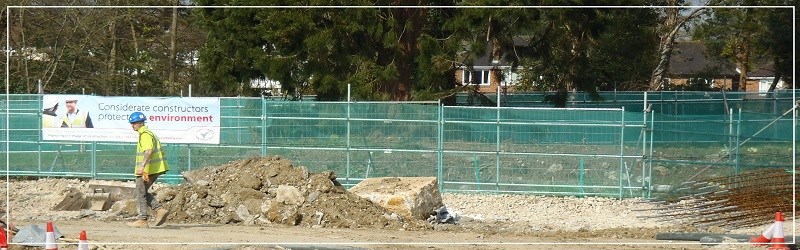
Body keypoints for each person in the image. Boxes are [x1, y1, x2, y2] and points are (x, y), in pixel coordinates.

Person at [126, 112, 169, 228]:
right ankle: (159, 210)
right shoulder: (148, 133)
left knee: (140, 193)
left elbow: (148, 150)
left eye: (134, 123)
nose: (132, 125)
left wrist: (142, 166)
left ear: (140, 123)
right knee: (142, 192)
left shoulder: (144, 134)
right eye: (132, 123)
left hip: (148, 170)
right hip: (154, 169)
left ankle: (142, 219)